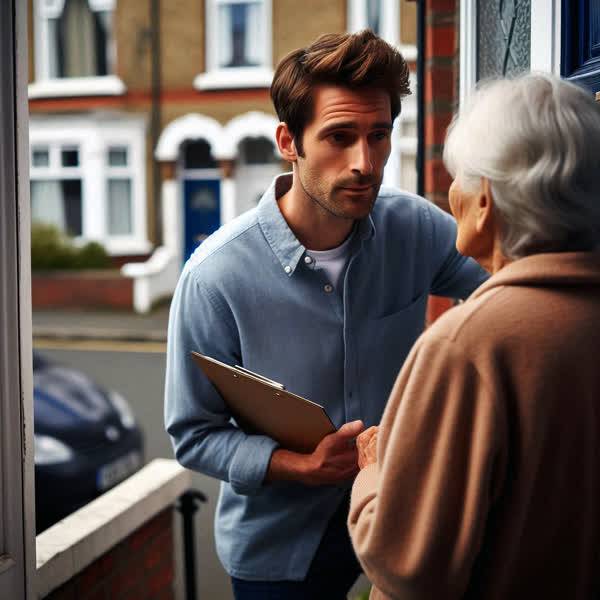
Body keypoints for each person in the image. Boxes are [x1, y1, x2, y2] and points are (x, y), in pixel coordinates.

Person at [165, 30, 487, 599]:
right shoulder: (214, 276)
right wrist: (297, 464)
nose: (365, 163)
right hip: (279, 542)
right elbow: (194, 435)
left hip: (405, 512)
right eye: (339, 137)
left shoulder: (415, 227)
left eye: (378, 135)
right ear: (289, 141)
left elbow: (509, 289)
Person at [348, 72, 600, 600]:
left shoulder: (469, 345)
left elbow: (406, 564)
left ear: (485, 199)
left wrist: (375, 474)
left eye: (457, 178)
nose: (449, 194)